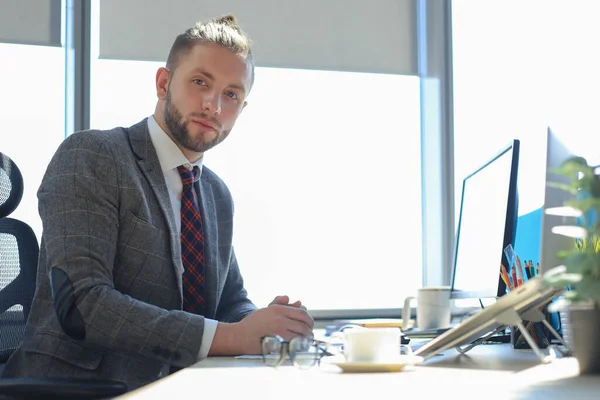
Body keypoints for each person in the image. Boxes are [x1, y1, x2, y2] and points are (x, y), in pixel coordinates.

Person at [1, 15, 314, 390]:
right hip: (83, 389)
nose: (214, 105)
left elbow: (230, 303)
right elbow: (84, 306)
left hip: (180, 389)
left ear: (241, 109)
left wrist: (267, 326)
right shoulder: (93, 156)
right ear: (164, 83)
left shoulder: (215, 195)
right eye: (200, 82)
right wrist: (234, 337)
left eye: (231, 94)